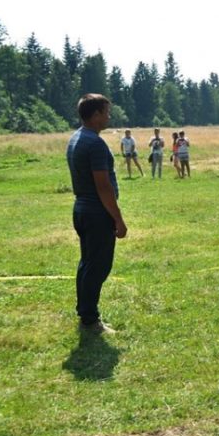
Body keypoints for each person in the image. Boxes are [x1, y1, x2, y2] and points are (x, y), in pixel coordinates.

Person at [66, 94, 127, 334]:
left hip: (82, 208)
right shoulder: (95, 143)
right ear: (95, 115)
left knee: (88, 264)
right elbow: (103, 185)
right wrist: (118, 219)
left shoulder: (76, 138)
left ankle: (86, 314)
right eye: (106, 112)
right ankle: (90, 321)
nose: (109, 116)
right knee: (98, 266)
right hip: (96, 212)